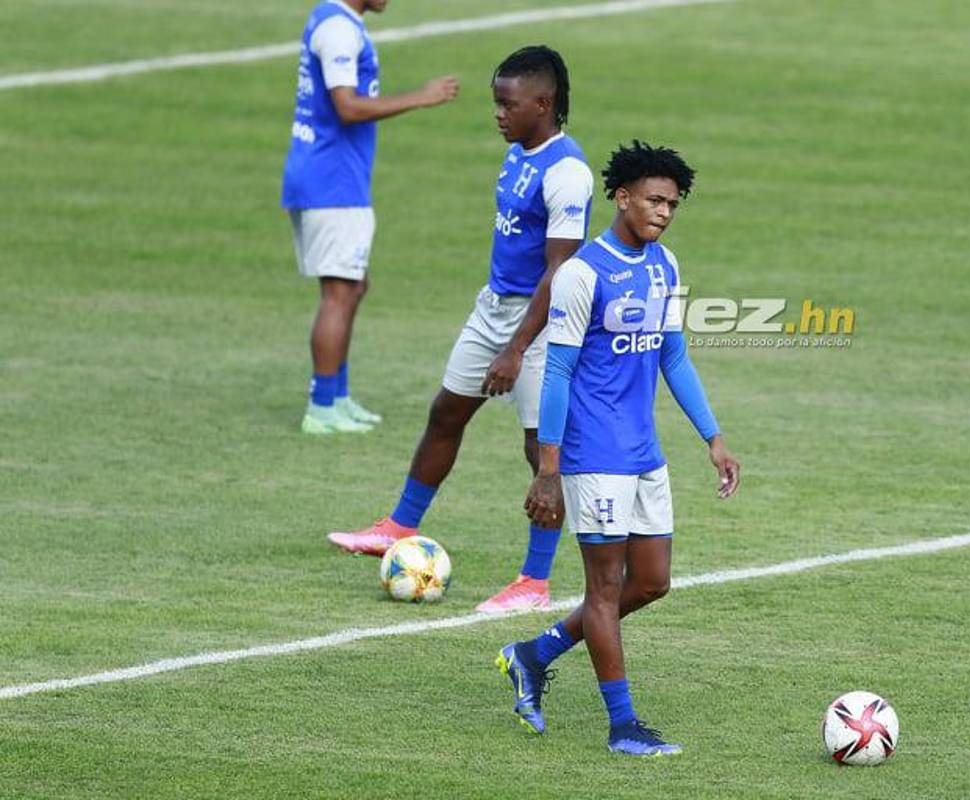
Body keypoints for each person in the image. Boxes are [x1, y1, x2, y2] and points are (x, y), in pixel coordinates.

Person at [327, 46, 594, 614]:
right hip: (493, 307)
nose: (497, 113)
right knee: (447, 411)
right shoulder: (520, 152)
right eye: (496, 102)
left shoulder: (567, 171)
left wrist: (516, 349)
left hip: (541, 322)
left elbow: (561, 271)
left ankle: (534, 582)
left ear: (543, 103)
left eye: (508, 104)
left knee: (540, 451)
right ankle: (398, 526)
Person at [497, 141, 741, 755]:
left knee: (652, 582)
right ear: (622, 197)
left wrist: (712, 438)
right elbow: (556, 373)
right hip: (592, 453)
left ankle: (533, 652)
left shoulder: (665, 267)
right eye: (654, 200)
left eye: (673, 204)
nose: (663, 212)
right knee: (604, 589)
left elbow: (674, 356)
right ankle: (623, 726)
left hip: (643, 453)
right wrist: (548, 470)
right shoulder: (582, 273)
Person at [282, 0, 458, 434]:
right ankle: (322, 407)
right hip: (331, 181)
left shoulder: (335, 20)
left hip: (333, 178)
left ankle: (337, 398)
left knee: (353, 286)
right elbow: (347, 106)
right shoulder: (340, 30)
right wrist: (421, 97)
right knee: (339, 292)